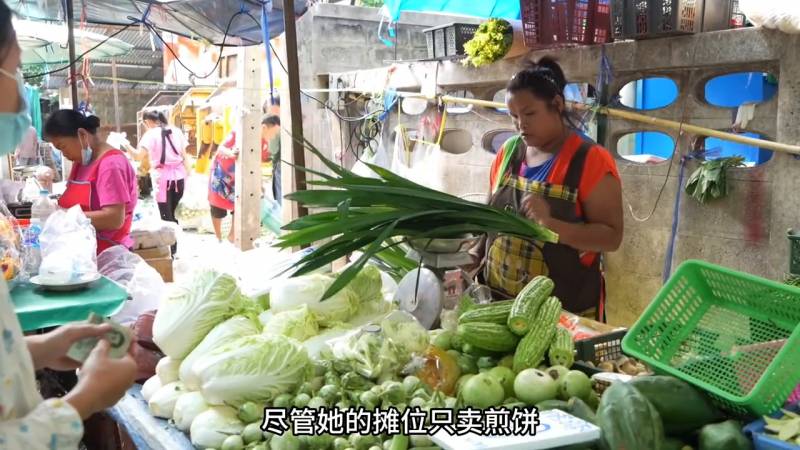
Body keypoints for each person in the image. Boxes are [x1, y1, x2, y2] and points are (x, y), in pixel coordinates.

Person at [0, 4, 137, 448]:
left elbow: (113, 218)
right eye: (14, 72)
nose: (22, 99)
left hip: (107, 258)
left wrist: (33, 350)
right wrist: (84, 399)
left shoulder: (110, 163)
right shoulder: (78, 166)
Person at [472, 57, 623, 322]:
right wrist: (474, 253)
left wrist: (551, 224)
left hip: (563, 318)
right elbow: (490, 220)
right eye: (514, 116)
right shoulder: (508, 153)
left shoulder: (590, 160)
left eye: (529, 114)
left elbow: (611, 237)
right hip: (499, 309)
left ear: (556, 104)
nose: (521, 125)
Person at [44, 110, 138, 254]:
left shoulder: (111, 165)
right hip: (83, 252)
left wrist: (64, 216)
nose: (64, 154)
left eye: (63, 147)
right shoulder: (81, 162)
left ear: (82, 135)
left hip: (107, 254)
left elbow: (114, 219)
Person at [137, 110, 188, 225]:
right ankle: (176, 240)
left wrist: (124, 143)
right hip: (180, 177)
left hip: (162, 179)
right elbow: (185, 157)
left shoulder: (150, 134)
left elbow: (138, 156)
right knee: (176, 212)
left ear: (147, 121)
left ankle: (171, 240)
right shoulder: (177, 131)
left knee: (166, 214)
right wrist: (190, 176)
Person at [208, 130, 237, 242]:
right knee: (216, 206)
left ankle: (233, 235)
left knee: (238, 206)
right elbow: (221, 148)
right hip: (221, 175)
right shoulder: (236, 132)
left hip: (238, 178)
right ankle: (218, 237)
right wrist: (231, 154)